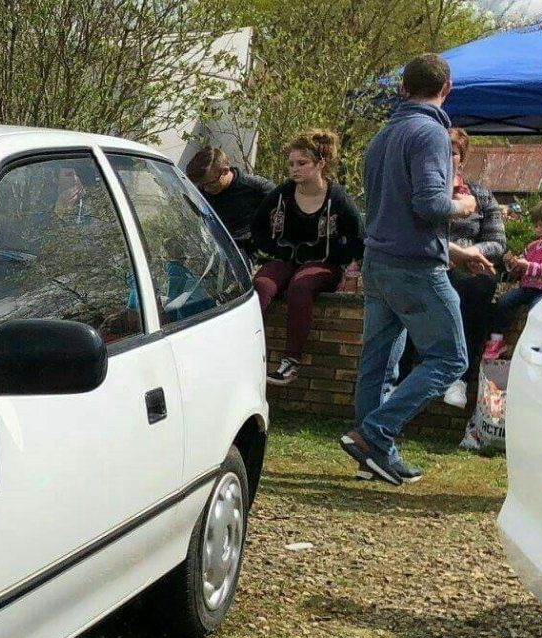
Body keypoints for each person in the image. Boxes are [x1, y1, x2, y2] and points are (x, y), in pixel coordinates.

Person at [344, 53, 475, 486]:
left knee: (378, 360)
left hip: (377, 261)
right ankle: (375, 432)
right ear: (447, 88)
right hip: (415, 267)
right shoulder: (431, 133)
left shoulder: (384, 135)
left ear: (403, 88)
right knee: (451, 357)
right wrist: (466, 205)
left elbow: (391, 207)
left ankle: (375, 454)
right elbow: (430, 204)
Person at [247, 130, 362, 385]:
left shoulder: (337, 197)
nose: (295, 169)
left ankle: (290, 362)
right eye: (291, 164)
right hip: (285, 259)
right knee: (262, 284)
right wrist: (272, 248)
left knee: (301, 285)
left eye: (302, 163)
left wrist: (343, 261)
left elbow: (357, 235)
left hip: (322, 264)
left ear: (320, 164)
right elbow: (257, 226)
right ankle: (245, 354)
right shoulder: (282, 194)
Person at [417, 127, 506, 409]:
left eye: (453, 153)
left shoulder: (481, 196)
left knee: (474, 290)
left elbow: (497, 241)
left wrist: (469, 253)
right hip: (428, 265)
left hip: (469, 268)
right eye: (441, 152)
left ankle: (460, 378)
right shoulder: (422, 192)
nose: (447, 157)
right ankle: (403, 378)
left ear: (462, 159)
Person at [484, 196, 542, 356]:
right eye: (537, 226)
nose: (538, 230)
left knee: (536, 311)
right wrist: (513, 264)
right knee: (504, 302)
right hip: (529, 287)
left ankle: (536, 346)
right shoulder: (534, 246)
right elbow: (522, 266)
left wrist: (526, 265)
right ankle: (497, 339)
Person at [184, 146, 274, 255]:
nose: (206, 189)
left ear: (225, 171)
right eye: (202, 185)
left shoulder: (257, 188)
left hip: (252, 257)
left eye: (210, 183)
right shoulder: (201, 194)